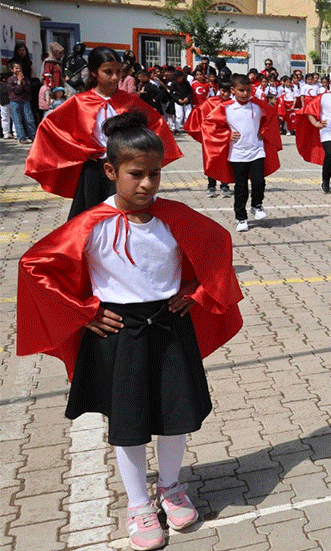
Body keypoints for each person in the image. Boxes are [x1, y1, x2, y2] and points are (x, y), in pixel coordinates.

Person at [16, 111, 243, 551]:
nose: (146, 185)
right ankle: (138, 504)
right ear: (110, 171)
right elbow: (35, 266)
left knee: (175, 414)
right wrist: (84, 311)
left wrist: (195, 290)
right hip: (119, 333)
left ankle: (172, 486)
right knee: (130, 420)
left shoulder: (175, 216)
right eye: (135, 175)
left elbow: (217, 245)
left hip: (170, 327)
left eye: (155, 175)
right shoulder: (90, 224)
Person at [26, 47, 180, 219]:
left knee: (124, 215)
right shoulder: (80, 102)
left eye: (118, 72)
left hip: (124, 168)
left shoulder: (130, 102)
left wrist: (144, 153)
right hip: (93, 169)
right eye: (108, 72)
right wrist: (81, 149)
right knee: (91, 216)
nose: (115, 77)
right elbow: (50, 127)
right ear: (94, 72)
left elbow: (157, 123)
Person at [202, 74, 283, 233]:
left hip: (256, 150)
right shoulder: (226, 107)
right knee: (241, 187)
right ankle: (241, 217)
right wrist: (226, 134)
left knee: (259, 181)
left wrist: (264, 130)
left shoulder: (258, 105)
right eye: (241, 90)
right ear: (233, 90)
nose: (245, 94)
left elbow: (271, 116)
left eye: (248, 90)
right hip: (237, 153)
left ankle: (257, 205)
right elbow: (208, 125)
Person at [186, 82, 232, 198]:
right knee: (211, 160)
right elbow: (198, 112)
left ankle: (225, 185)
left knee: (226, 161)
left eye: (228, 91)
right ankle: (211, 185)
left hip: (227, 137)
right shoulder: (210, 102)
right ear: (219, 89)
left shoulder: (233, 104)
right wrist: (203, 130)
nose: (225, 94)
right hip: (211, 138)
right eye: (223, 91)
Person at [6, 61, 36, 143]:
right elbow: (16, 91)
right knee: (17, 120)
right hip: (15, 101)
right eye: (16, 68)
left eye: (19, 68)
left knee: (29, 119)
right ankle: (21, 138)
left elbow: (28, 89)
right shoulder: (10, 79)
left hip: (25, 100)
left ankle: (33, 136)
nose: (18, 70)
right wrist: (19, 82)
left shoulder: (25, 79)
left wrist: (23, 82)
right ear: (12, 70)